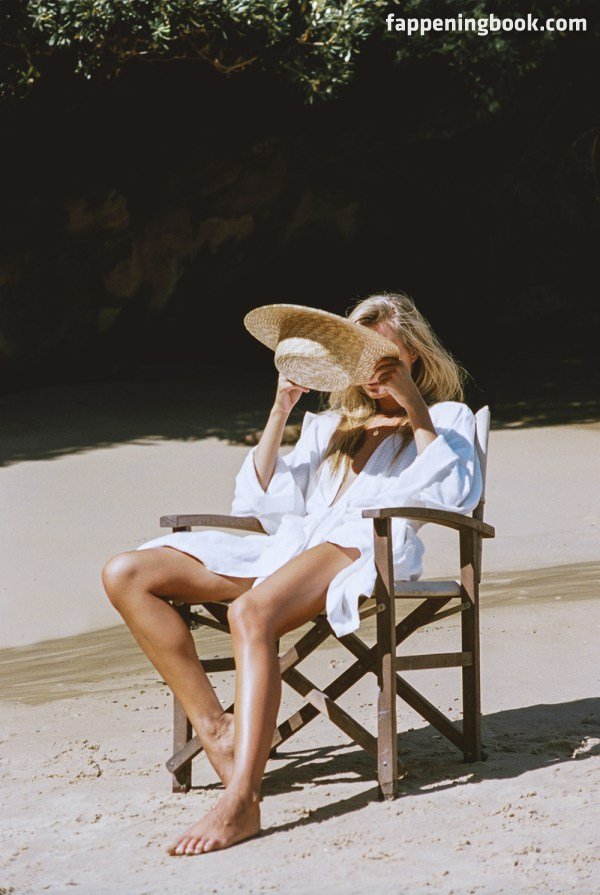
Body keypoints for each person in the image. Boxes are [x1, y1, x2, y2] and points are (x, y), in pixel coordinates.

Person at [101, 291, 483, 856]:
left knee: (250, 613)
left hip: (364, 548)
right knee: (127, 573)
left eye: (387, 358)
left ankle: (242, 800)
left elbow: (452, 495)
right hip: (290, 550)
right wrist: (280, 409)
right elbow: (262, 505)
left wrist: (412, 404)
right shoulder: (331, 426)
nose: (374, 371)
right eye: (362, 356)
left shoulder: (447, 419)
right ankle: (219, 732)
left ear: (415, 357)